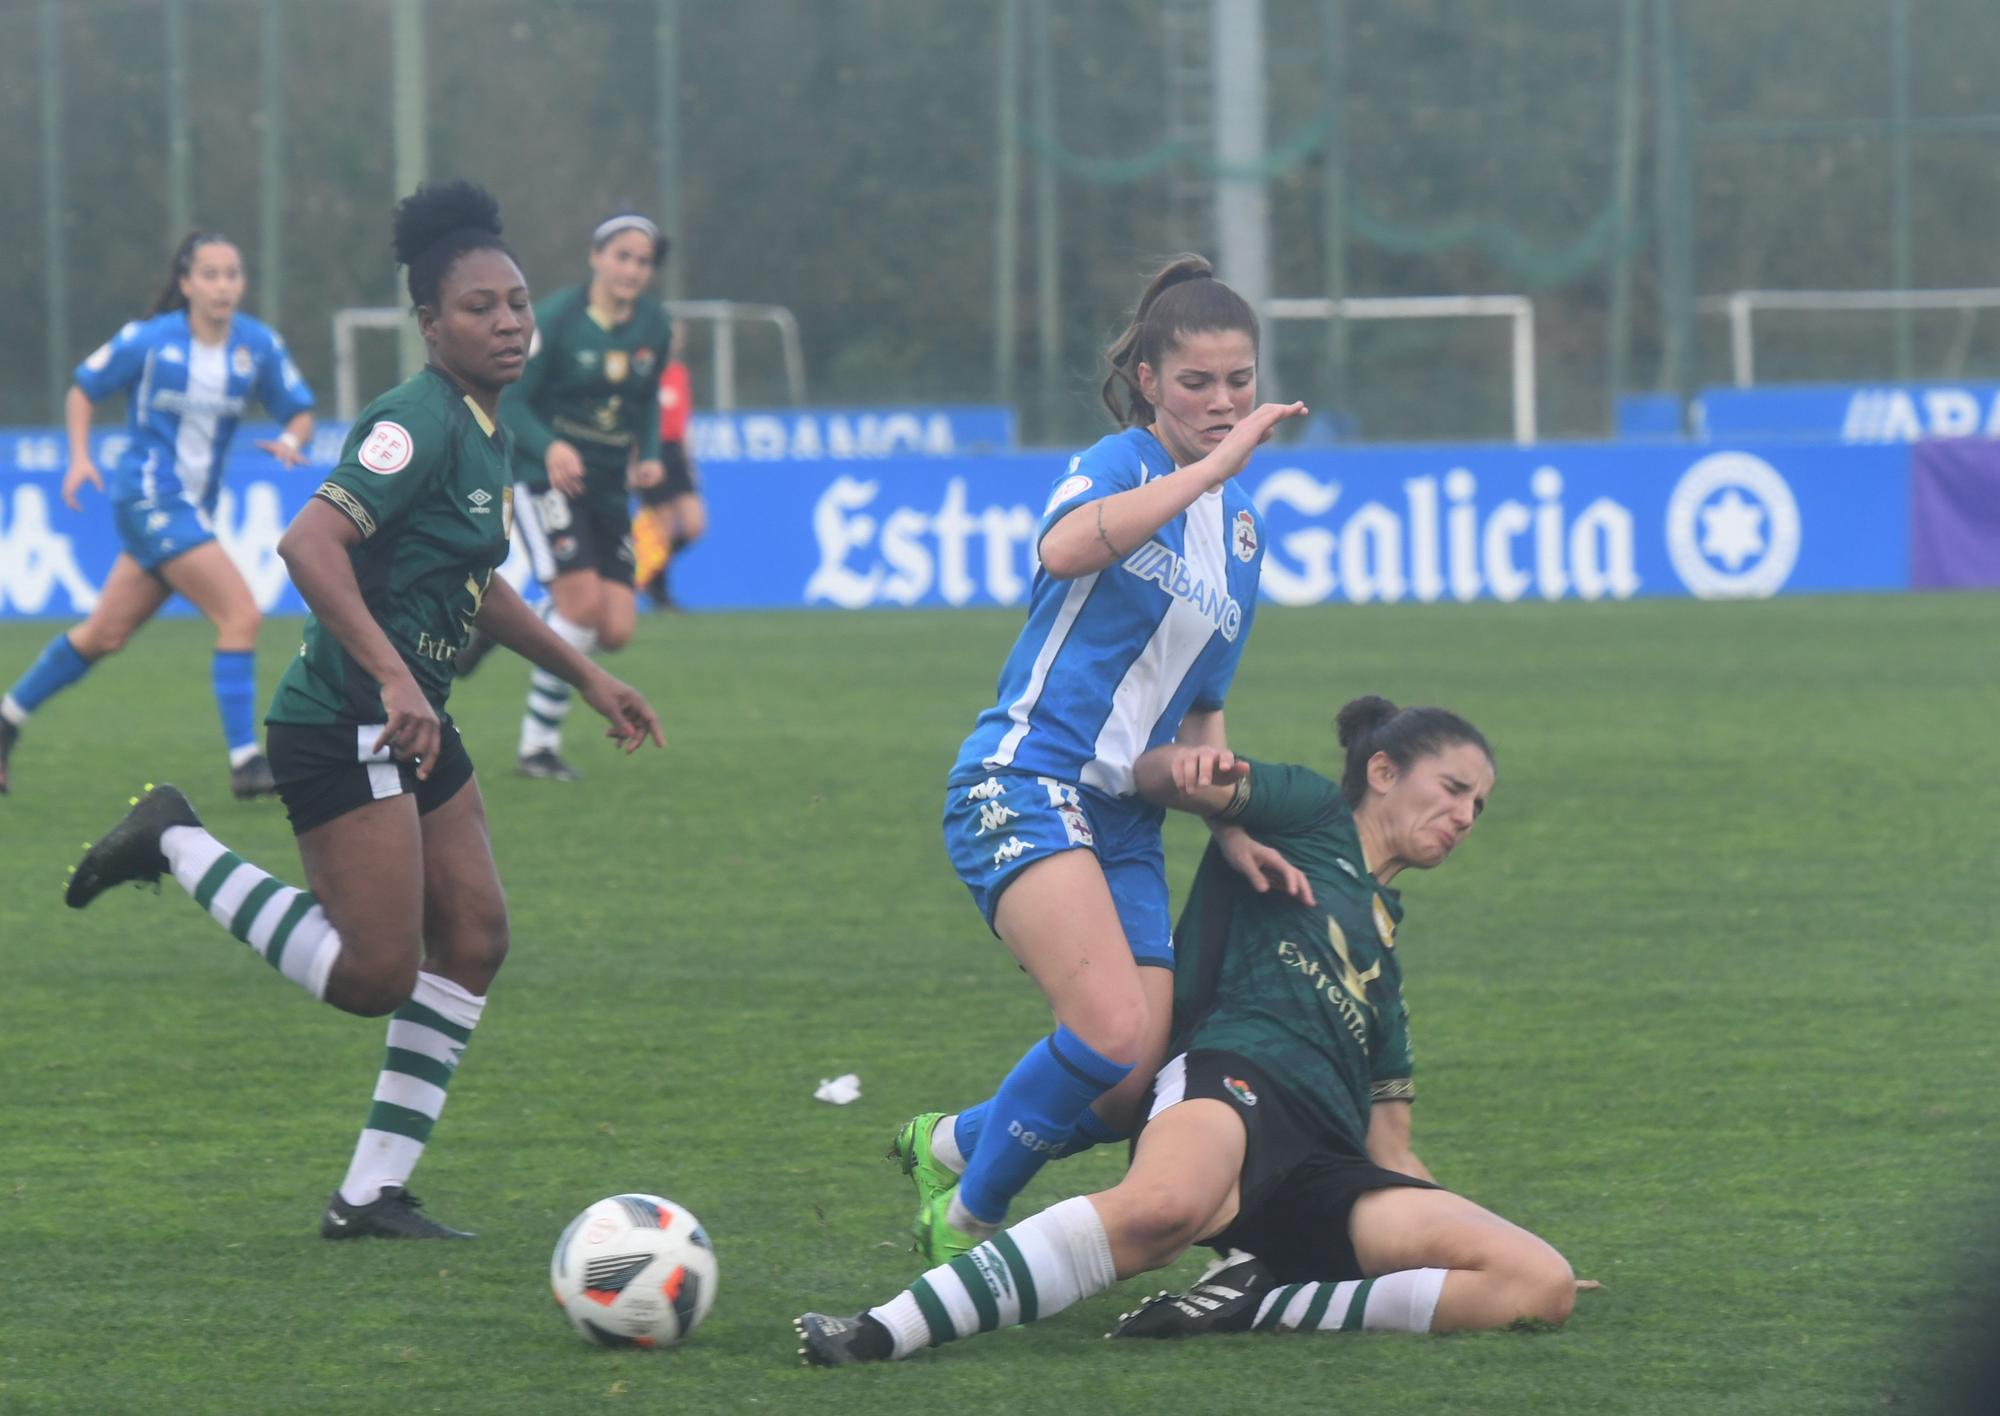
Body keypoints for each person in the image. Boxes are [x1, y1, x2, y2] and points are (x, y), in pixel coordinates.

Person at [63, 180, 662, 1241]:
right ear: (432, 324)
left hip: (410, 717)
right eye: (480, 306)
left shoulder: (488, 430)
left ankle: (368, 1195)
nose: (510, 320)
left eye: (518, 301)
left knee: (474, 936)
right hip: (346, 716)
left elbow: (477, 579)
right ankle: (177, 839)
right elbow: (309, 545)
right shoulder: (412, 420)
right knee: (374, 973)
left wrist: (586, 675)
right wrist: (390, 674)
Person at [797, 697, 1584, 1364]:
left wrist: (1467, 1242)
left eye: (1477, 805)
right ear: (1383, 773)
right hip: (1231, 1078)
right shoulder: (1310, 812)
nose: (1464, 816)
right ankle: (881, 1330)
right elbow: (1151, 777)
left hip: (1325, 1169)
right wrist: (1187, 775)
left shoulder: (1386, 966)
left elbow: (1392, 1151)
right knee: (1162, 1211)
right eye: (1452, 789)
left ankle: (1263, 1299)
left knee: (1535, 1281)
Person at [887, 255, 1309, 1266]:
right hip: (1023, 780)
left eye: (1238, 381)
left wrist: (1229, 822)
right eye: (1196, 382)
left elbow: (1200, 708)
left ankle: (948, 1142)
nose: (1220, 402)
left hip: (1121, 817)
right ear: (1151, 382)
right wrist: (1201, 471)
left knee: (1125, 1087)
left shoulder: (1242, 537)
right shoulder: (1122, 461)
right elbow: (1063, 552)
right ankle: (967, 1223)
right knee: (1111, 1025)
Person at [0, 231, 315, 799]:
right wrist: (77, 459)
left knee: (105, 634)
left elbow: (299, 409)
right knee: (240, 613)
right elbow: (82, 388)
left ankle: (6, 721)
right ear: (186, 283)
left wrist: (293, 439)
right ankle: (246, 763)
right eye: (211, 275)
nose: (223, 286)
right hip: (148, 493)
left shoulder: (257, 347)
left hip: (191, 507)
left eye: (232, 274)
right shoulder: (149, 342)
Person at [471, 212, 674, 780]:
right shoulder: (557, 318)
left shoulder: (654, 324)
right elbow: (512, 403)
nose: (632, 269)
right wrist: (552, 447)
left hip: (610, 486)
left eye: (643, 261)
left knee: (616, 630)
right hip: (546, 476)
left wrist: (652, 451)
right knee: (580, 608)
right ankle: (537, 748)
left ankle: (498, 625)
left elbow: (648, 398)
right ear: (597, 257)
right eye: (623, 256)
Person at [634, 329, 704, 609]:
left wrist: (690, 461)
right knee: (661, 529)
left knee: (694, 525)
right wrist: (634, 460)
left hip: (675, 452)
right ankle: (661, 595)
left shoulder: (678, 372)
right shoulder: (643, 372)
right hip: (651, 452)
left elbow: (683, 419)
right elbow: (633, 417)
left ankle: (650, 576)